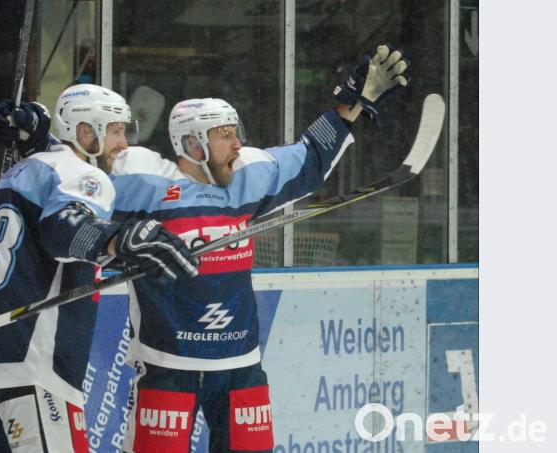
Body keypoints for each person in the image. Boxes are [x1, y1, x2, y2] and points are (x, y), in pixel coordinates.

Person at [109, 44, 410, 452]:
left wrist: (349, 106)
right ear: (193, 144)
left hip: (240, 365)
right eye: (223, 135)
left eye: (236, 133)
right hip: (168, 362)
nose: (236, 143)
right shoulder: (144, 183)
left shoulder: (247, 178)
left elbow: (309, 158)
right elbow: (77, 198)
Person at [0, 84, 199, 453]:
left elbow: (46, 244)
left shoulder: (25, 169)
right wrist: (120, 239)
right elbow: (64, 229)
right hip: (29, 359)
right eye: (114, 131)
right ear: (84, 132)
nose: (123, 144)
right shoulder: (85, 175)